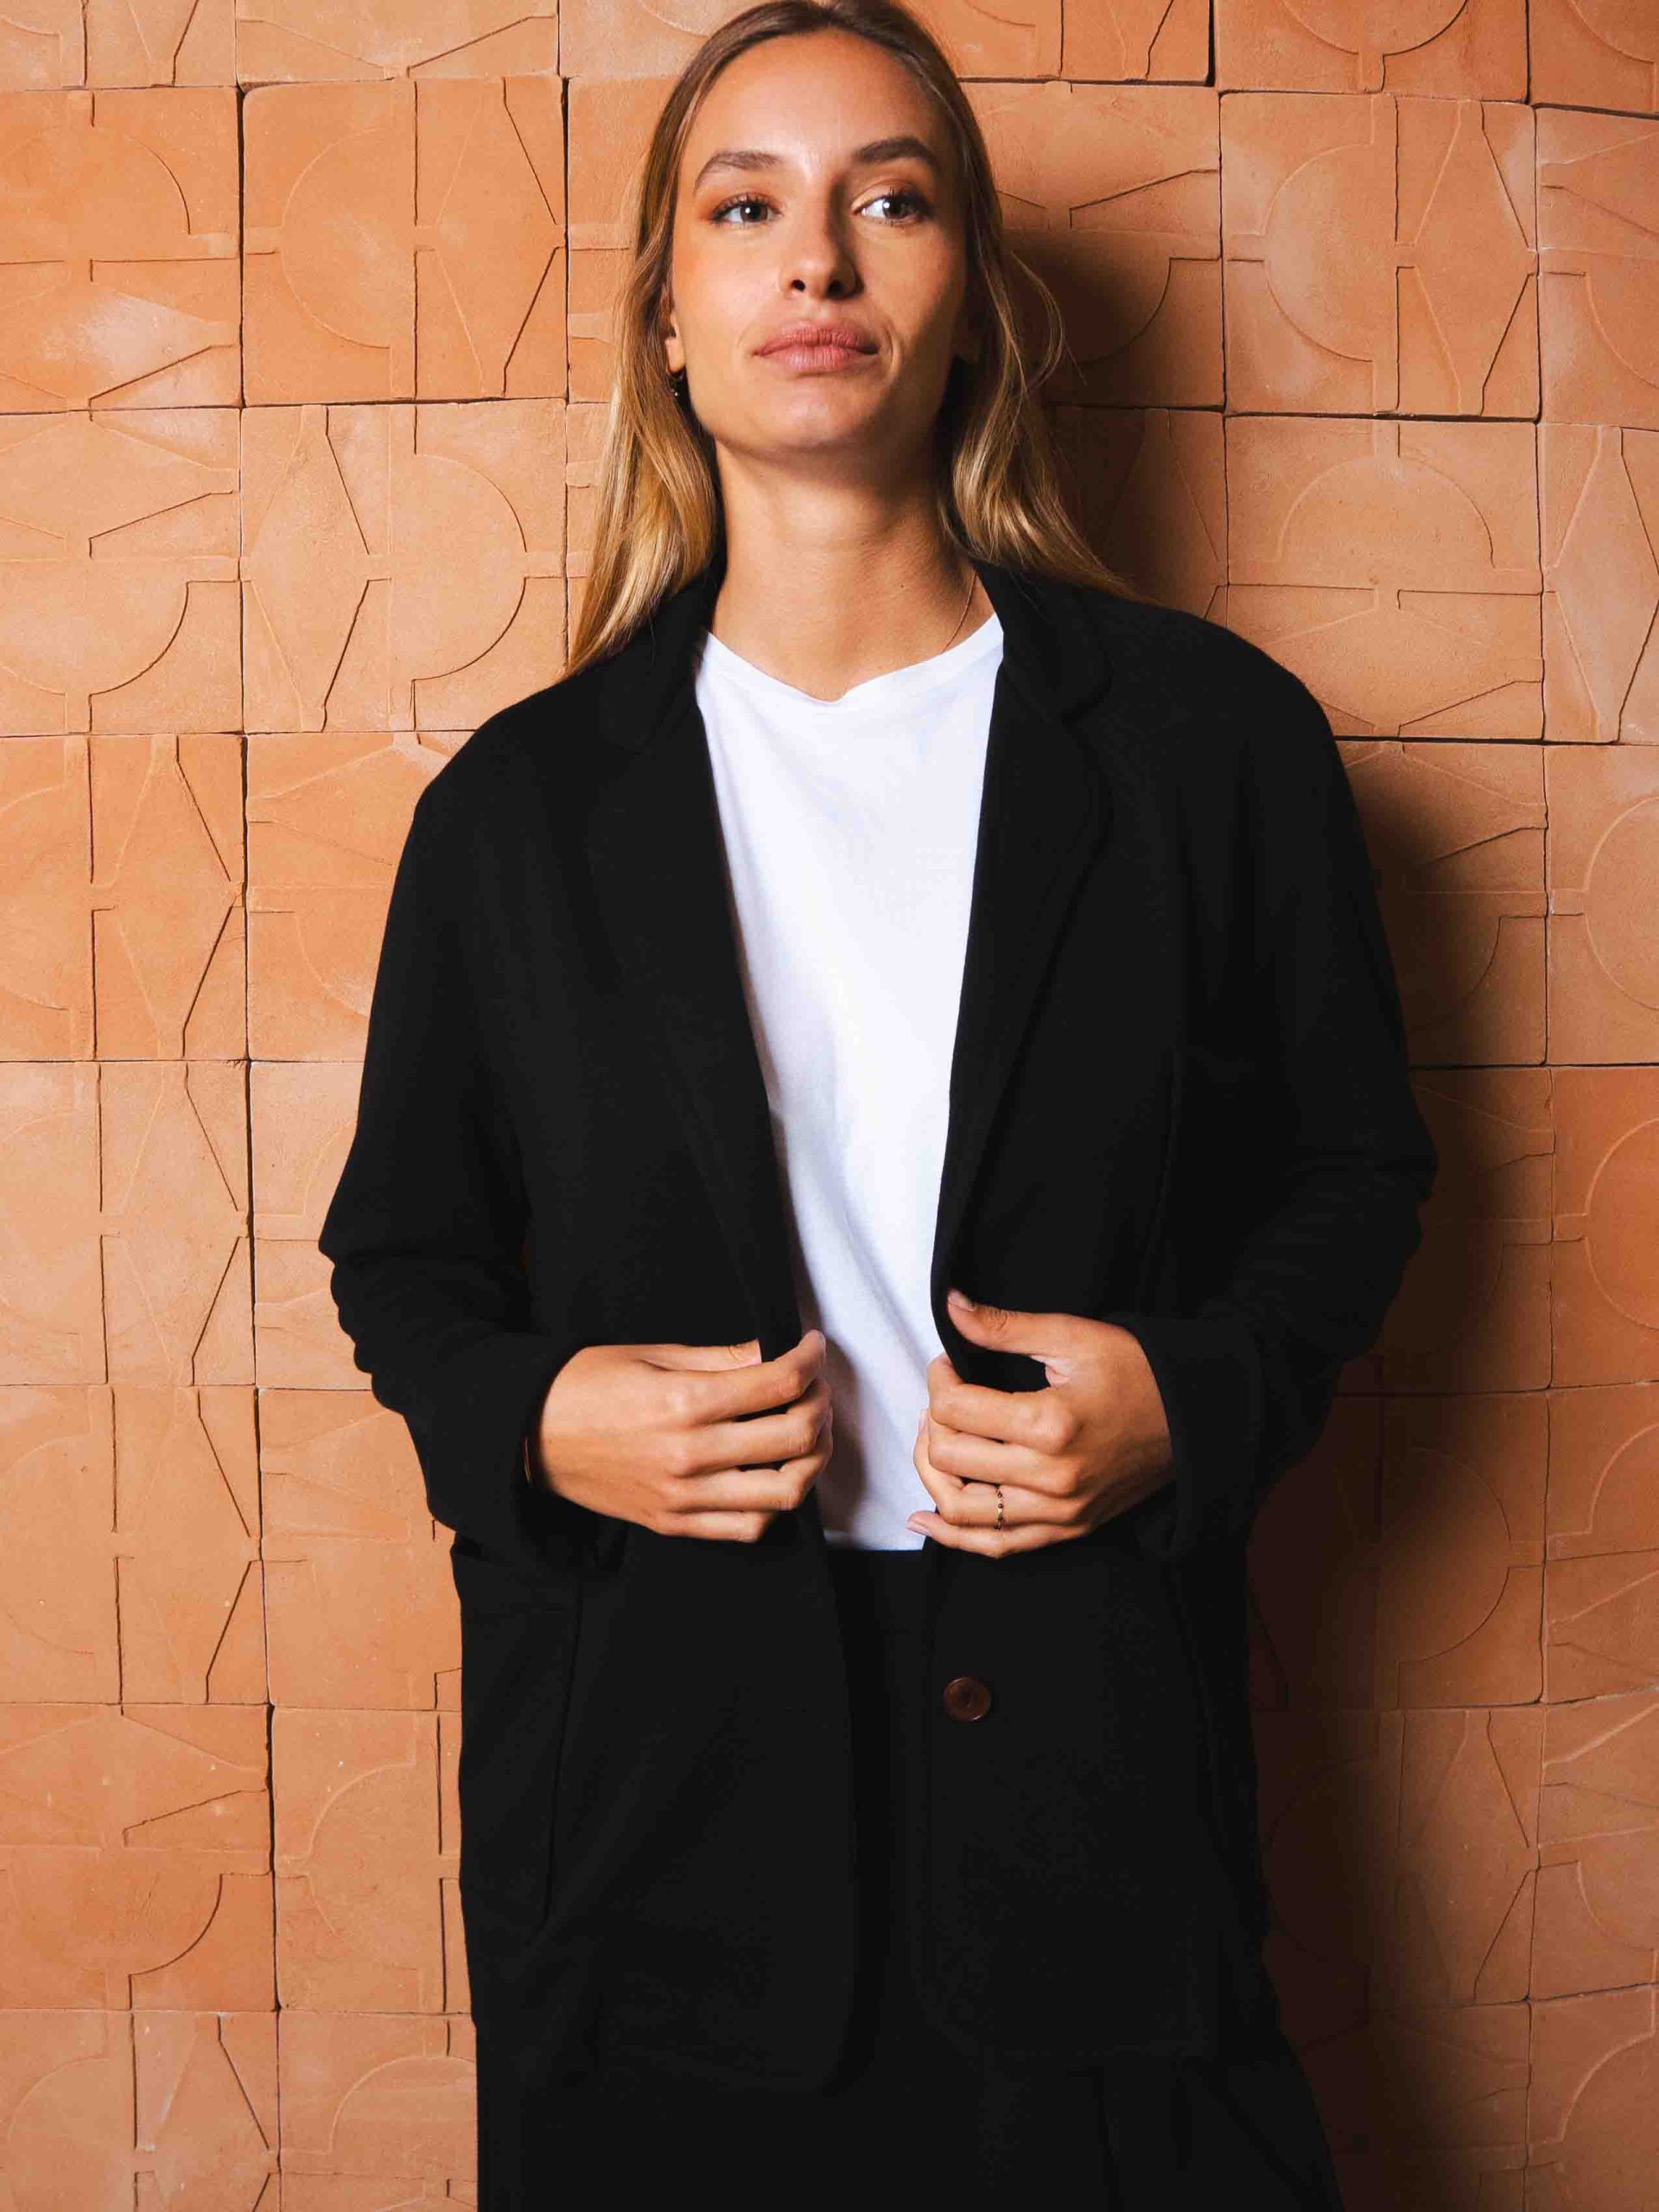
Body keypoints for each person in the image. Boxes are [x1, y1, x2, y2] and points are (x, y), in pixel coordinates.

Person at [318, 3, 1438, 2203]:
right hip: (650, 1821)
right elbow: (404, 1259)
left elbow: (1356, 1172)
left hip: (1096, 1788)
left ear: (973, 301)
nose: (817, 257)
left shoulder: (1210, 748)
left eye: (890, 201)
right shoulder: (517, 812)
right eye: (746, 209)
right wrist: (540, 1415)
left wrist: (1192, 1396)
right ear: (669, 315)